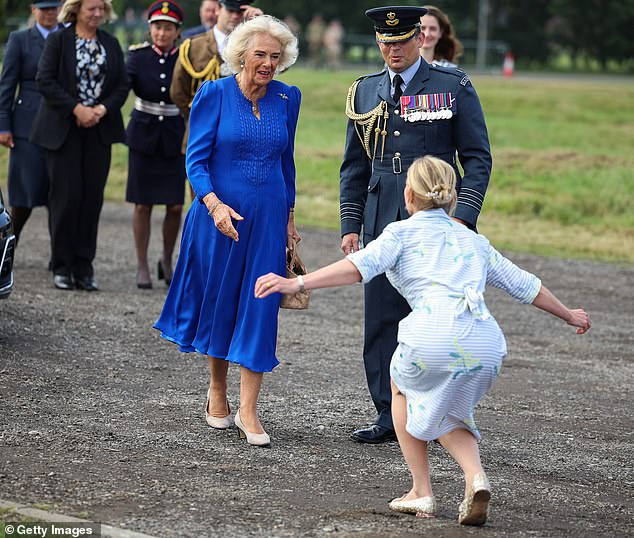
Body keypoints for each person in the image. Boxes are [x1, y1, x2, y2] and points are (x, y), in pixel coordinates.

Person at [255, 155, 591, 525]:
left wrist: (297, 281)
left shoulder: (400, 233)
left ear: (408, 194)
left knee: (402, 388)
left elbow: (357, 268)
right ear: (453, 197)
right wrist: (569, 314)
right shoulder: (472, 240)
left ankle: (421, 491)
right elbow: (525, 284)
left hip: (434, 334)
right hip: (485, 342)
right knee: (449, 410)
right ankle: (475, 477)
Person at [340, 6, 492, 444]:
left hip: (439, 217)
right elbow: (353, 167)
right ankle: (390, 415)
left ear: (419, 40)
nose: (392, 50)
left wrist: (463, 218)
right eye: (385, 43)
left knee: (440, 318)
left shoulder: (451, 86)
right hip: (382, 213)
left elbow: (477, 158)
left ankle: (441, 414)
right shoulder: (365, 92)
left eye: (401, 41)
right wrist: (351, 224)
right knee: (382, 320)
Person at [154, 15, 301, 448]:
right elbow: (195, 162)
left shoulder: (287, 98)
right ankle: (217, 390)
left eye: (276, 56)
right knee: (221, 301)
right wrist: (214, 205)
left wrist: (290, 218)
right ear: (241, 54)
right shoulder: (214, 93)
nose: (268, 63)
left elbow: (286, 163)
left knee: (260, 302)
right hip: (219, 219)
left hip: (269, 218)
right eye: (260, 54)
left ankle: (249, 409)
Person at [30, 0, 129, 291]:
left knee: (91, 199)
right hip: (63, 130)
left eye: (101, 9)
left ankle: (84, 267)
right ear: (76, 10)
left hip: (98, 131)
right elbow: (44, 80)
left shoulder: (110, 43)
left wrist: (100, 110)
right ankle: (62, 265)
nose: (97, 14)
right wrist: (77, 109)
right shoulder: (59, 39)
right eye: (91, 9)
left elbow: (122, 85)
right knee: (66, 198)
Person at [125, 0, 186, 289]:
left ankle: (166, 259)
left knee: (174, 205)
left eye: (168, 28)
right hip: (143, 135)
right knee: (142, 204)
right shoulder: (136, 57)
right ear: (150, 29)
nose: (162, 33)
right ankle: (141, 264)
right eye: (157, 27)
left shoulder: (185, 58)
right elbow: (121, 85)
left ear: (177, 31)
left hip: (175, 136)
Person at [0, 1, 61, 246]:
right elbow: (7, 85)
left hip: (61, 123)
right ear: (33, 10)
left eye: (53, 7)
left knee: (59, 196)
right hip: (27, 126)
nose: (49, 13)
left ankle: (59, 255)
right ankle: (9, 243)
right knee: (24, 194)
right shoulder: (20, 39)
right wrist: (3, 125)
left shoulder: (69, 37)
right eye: (44, 8)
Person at [170, 0, 263, 154]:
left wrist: (262, 22)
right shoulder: (193, 46)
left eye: (239, 12)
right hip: (202, 134)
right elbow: (178, 92)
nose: (234, 16)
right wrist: (201, 115)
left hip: (243, 136)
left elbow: (282, 64)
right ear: (218, 9)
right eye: (230, 11)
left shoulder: (255, 46)